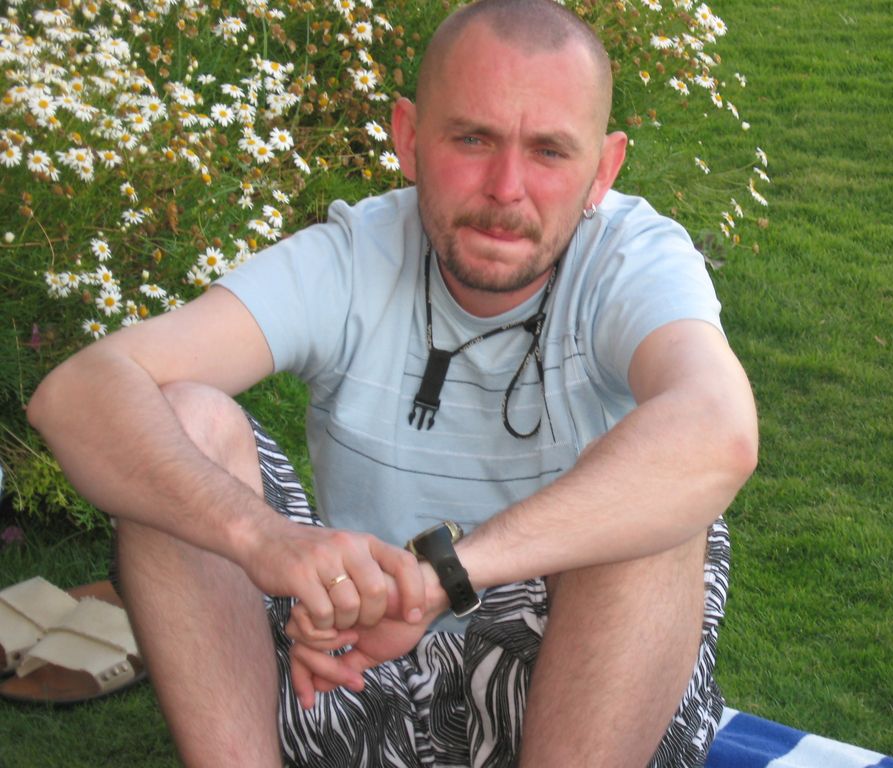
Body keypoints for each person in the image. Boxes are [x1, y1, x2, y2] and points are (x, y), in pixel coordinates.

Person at [27, 0, 757, 765]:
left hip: (570, 698)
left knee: (657, 502)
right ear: (408, 137)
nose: (507, 188)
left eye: (548, 151)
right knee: (181, 423)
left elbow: (718, 430)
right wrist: (263, 538)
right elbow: (77, 392)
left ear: (602, 170)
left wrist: (445, 575)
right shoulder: (352, 258)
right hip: (348, 676)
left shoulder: (632, 261)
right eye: (472, 139)